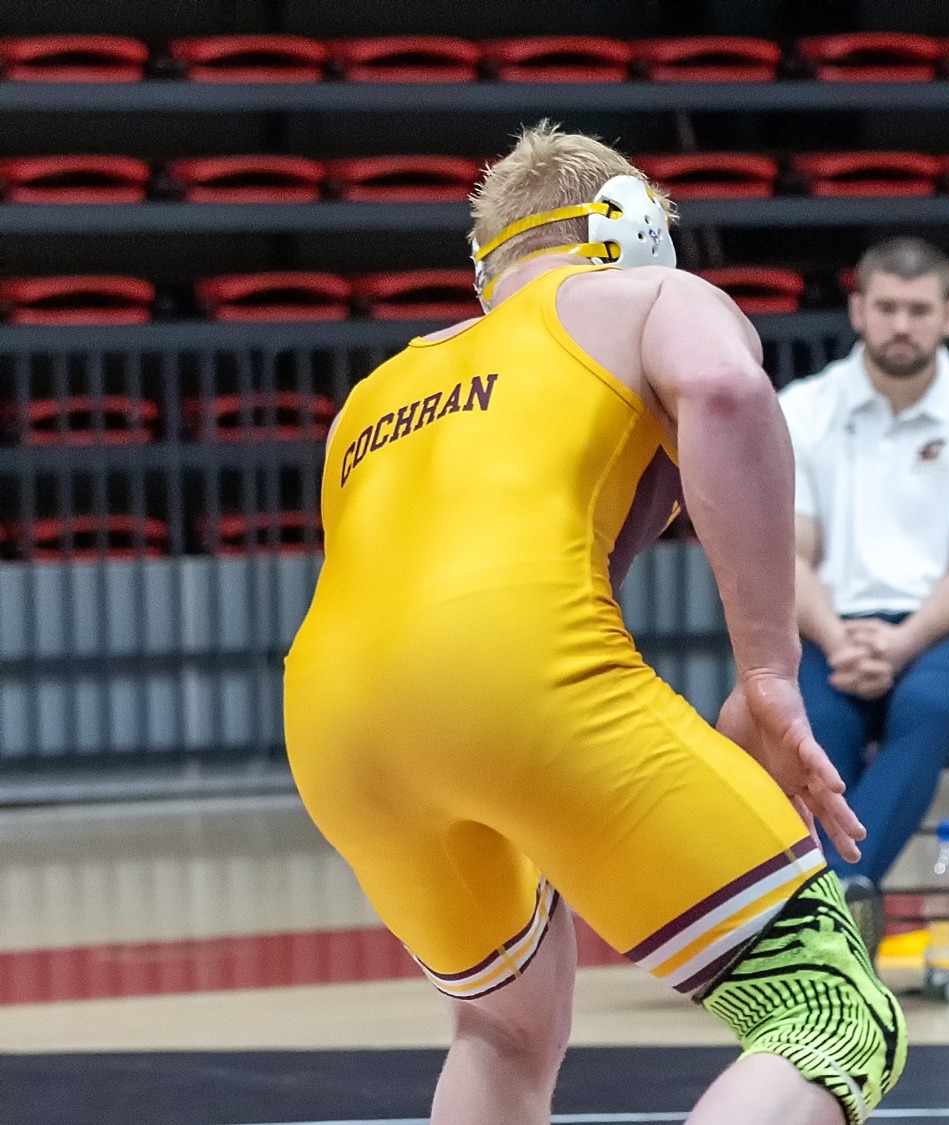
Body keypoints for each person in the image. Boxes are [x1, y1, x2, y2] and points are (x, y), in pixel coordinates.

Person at [284, 124, 904, 1125]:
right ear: (634, 229)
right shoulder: (646, 296)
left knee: (504, 1029)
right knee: (830, 1012)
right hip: (514, 677)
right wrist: (769, 675)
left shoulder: (377, 390)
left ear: (487, 267)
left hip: (333, 731)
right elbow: (726, 388)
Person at [782, 236, 949, 949]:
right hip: (831, 629)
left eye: (919, 309)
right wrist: (839, 638)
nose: (903, 324)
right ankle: (841, 912)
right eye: (888, 307)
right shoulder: (801, 410)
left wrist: (899, 644)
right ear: (858, 310)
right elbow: (786, 553)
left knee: (928, 702)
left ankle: (821, 914)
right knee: (810, 726)